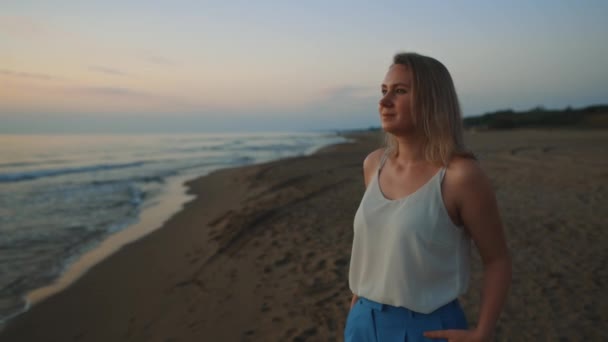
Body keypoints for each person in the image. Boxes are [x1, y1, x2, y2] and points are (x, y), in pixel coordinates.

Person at [345, 52, 511, 342]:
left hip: (427, 328)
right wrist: (357, 304)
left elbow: (497, 259)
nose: (384, 102)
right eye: (383, 91)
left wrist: (483, 331)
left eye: (400, 91)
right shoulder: (373, 164)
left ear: (432, 100)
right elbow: (376, 246)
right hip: (362, 321)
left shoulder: (460, 176)